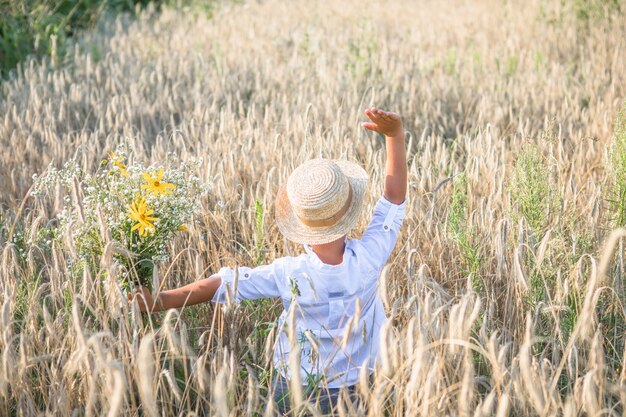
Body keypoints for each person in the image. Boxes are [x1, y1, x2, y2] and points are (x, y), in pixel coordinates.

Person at [130, 108, 407, 415]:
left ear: (302, 228)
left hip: (294, 386)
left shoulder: (289, 272)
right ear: (348, 213)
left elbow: (223, 283)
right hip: (359, 386)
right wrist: (394, 137)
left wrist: (159, 301)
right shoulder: (370, 257)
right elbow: (393, 200)